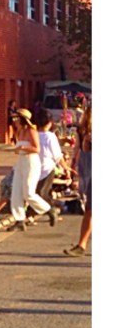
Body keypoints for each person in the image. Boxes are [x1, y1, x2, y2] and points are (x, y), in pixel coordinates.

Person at [9, 108, 50, 229]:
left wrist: (23, 147)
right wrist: (18, 149)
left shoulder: (32, 131)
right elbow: (19, 149)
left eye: (16, 119)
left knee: (28, 192)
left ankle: (48, 209)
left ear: (23, 120)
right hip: (21, 161)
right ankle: (19, 220)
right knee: (16, 191)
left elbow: (36, 149)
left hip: (31, 161)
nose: (14, 121)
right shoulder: (19, 132)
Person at [64, 104, 91, 257]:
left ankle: (82, 244)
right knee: (90, 210)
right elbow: (78, 153)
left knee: (90, 210)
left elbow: (78, 154)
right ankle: (81, 245)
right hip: (89, 174)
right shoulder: (82, 133)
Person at [33, 108, 67, 224]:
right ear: (50, 122)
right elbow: (58, 155)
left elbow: (57, 156)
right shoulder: (41, 135)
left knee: (42, 192)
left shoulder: (48, 136)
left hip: (47, 169)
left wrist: (64, 167)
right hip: (38, 168)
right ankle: (51, 210)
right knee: (37, 193)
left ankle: (52, 210)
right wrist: (65, 167)